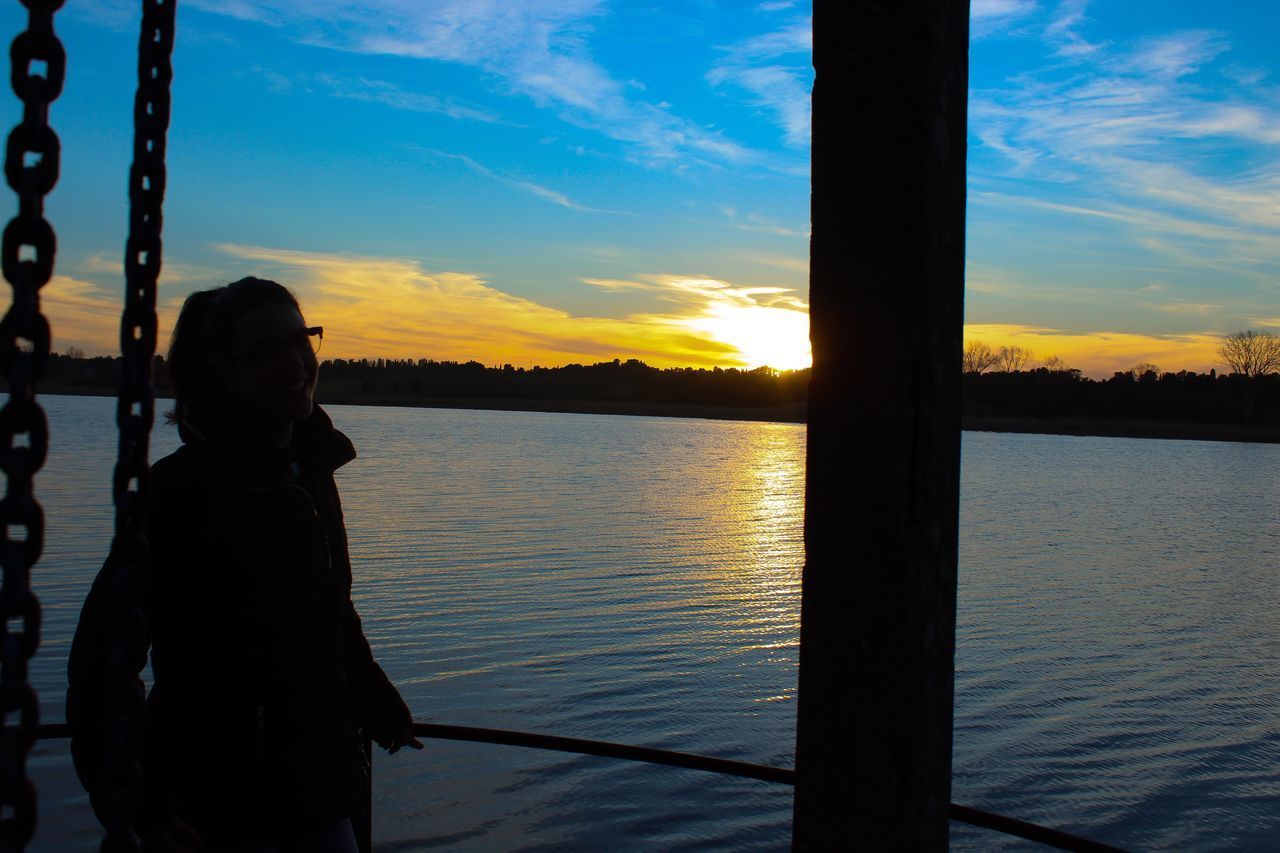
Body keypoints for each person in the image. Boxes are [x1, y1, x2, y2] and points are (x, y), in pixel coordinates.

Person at [68, 277, 421, 852]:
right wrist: (139, 805)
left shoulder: (308, 475)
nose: (293, 362)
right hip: (217, 808)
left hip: (324, 787)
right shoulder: (178, 496)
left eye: (300, 339)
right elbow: (99, 666)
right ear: (223, 373)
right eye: (263, 351)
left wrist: (376, 700)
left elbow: (329, 608)